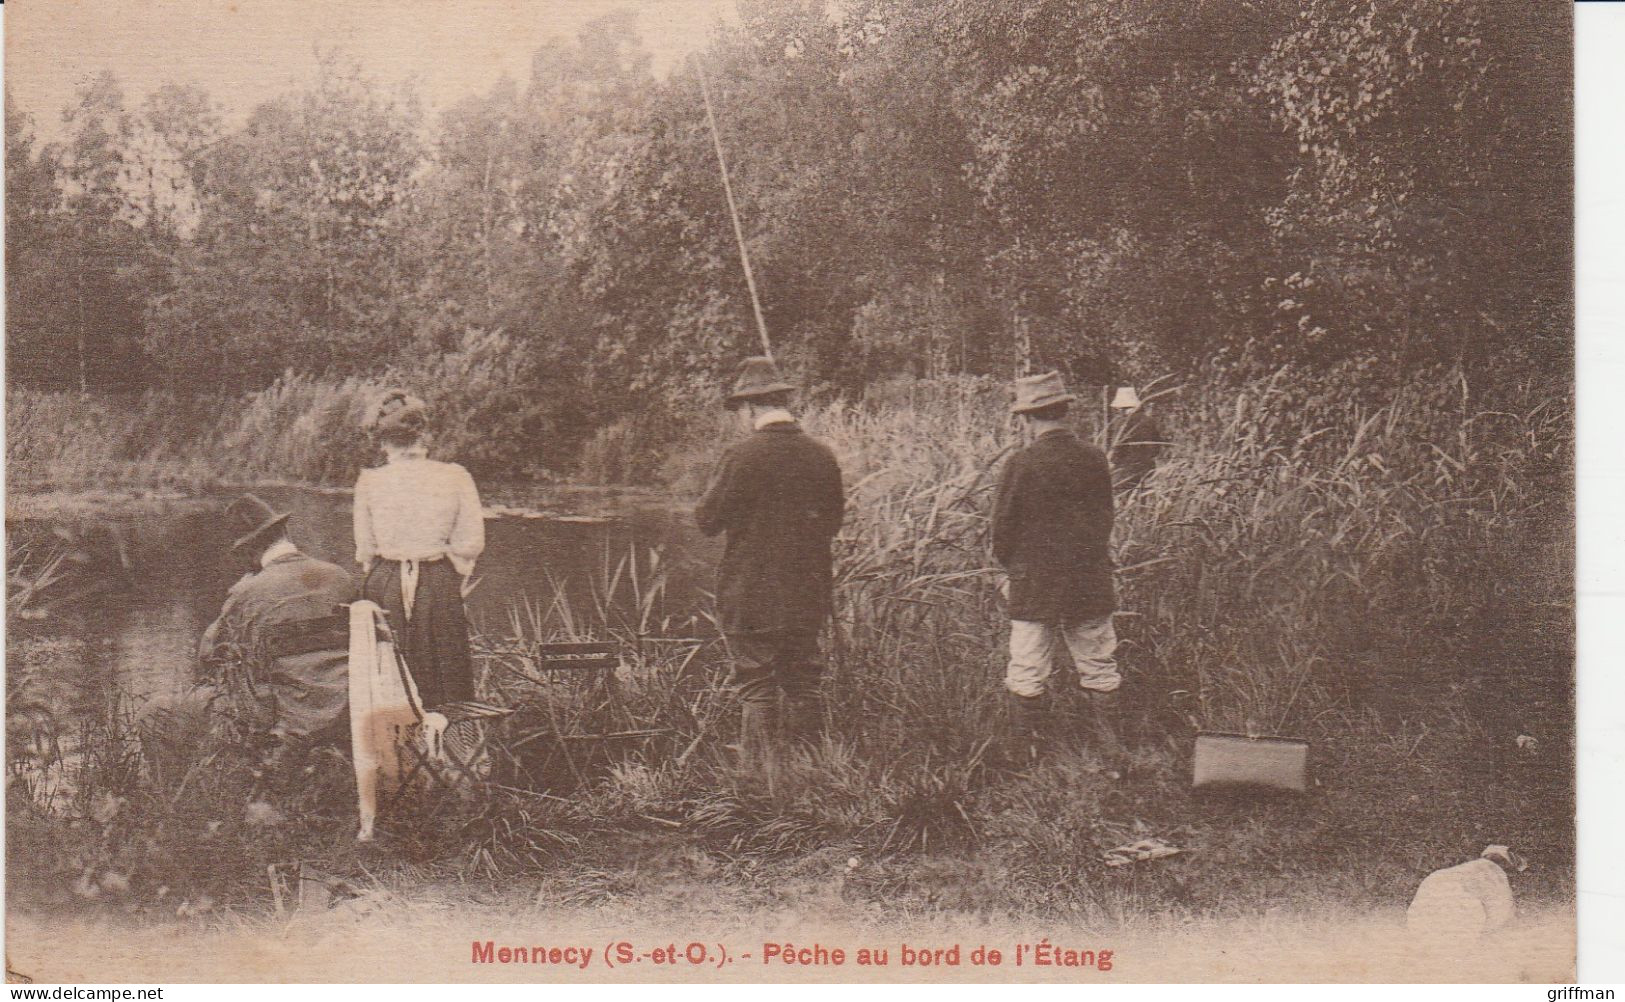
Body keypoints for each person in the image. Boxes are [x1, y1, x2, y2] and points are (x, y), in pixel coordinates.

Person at [696, 357, 844, 759]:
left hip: (752, 591)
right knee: (803, 682)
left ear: (749, 408)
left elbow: (707, 520)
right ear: (782, 401)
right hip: (808, 590)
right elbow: (833, 522)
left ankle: (758, 779)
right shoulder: (822, 456)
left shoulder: (741, 456)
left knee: (756, 682)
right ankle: (812, 770)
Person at [991, 371, 1121, 755]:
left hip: (1034, 581)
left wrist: (1008, 569)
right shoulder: (1095, 458)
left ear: (1028, 418)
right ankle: (1110, 748)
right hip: (1088, 577)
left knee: (1028, 668)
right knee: (1099, 664)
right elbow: (1105, 520)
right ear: (1064, 411)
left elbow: (1003, 527)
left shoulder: (1020, 463)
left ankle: (1028, 752)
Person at [353, 390, 485, 709]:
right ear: (422, 436)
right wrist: (448, 573)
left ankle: (394, 748)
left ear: (383, 442)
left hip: (386, 581)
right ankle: (451, 745)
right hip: (436, 580)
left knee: (388, 668)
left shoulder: (370, 481)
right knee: (445, 669)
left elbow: (366, 550)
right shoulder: (454, 476)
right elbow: (471, 543)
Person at [197, 494, 356, 753]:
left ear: (249, 550)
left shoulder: (248, 592)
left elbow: (208, 655)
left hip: (289, 721)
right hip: (349, 710)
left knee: (158, 712)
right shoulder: (340, 576)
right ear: (284, 531)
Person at [1107, 386, 1166, 491]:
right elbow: (1156, 448)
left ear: (1122, 408)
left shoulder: (1123, 423)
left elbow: (1118, 449)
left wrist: (1111, 463)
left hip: (1126, 470)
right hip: (1148, 469)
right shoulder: (1149, 421)